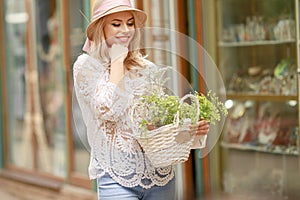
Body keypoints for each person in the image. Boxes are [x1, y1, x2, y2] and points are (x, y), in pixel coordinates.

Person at [73, 0, 210, 199]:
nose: (126, 30)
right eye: (116, 24)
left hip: (160, 176)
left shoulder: (147, 69)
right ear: (100, 28)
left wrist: (189, 130)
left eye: (130, 23)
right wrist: (118, 60)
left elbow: (159, 124)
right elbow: (108, 110)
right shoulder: (86, 66)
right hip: (116, 177)